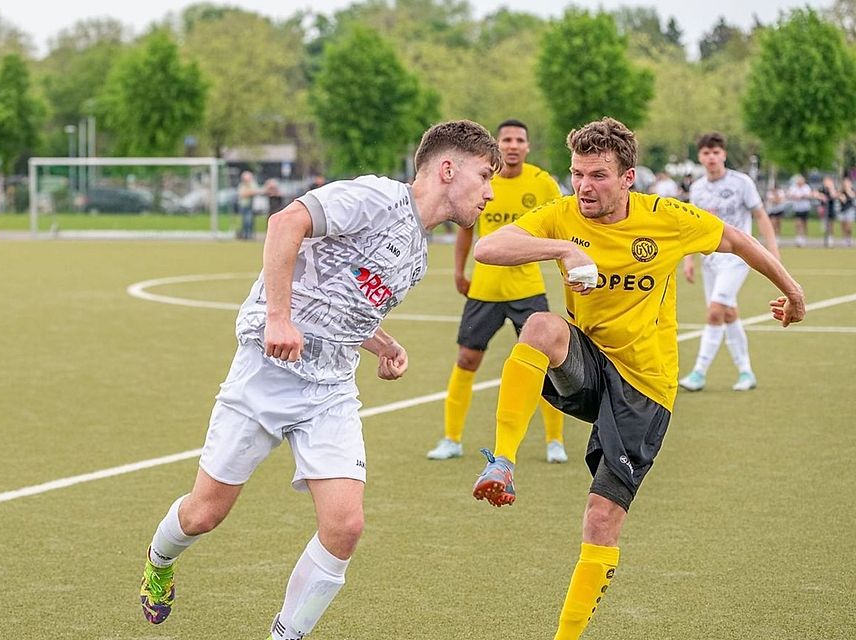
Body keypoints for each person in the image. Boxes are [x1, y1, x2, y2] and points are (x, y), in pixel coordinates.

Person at [137, 120, 502, 640]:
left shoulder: (420, 254)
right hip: (266, 372)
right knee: (204, 514)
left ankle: (285, 635)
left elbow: (345, 304)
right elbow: (285, 223)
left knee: (345, 526)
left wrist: (383, 343)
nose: (491, 190)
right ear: (449, 169)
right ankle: (159, 558)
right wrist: (278, 319)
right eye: (485, 176)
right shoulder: (376, 197)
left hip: (330, 389)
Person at [469, 117, 805, 640]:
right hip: (588, 362)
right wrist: (561, 249)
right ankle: (503, 462)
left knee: (601, 519)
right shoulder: (563, 215)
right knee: (539, 327)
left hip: (645, 388)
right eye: (578, 173)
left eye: (599, 175)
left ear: (628, 177)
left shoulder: (665, 217)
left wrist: (795, 291)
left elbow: (737, 240)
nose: (584, 186)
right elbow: (488, 248)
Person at [426, 119, 569, 464]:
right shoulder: (481, 179)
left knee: (546, 363)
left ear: (528, 146)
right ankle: (452, 439)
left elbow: (563, 227)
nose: (513, 145)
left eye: (520, 139)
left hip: (527, 289)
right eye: (506, 139)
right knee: (466, 359)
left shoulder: (542, 183)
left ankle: (555, 440)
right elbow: (465, 229)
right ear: (498, 143)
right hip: (485, 289)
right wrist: (460, 271)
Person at [678, 132, 780, 393]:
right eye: (706, 153)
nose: (711, 157)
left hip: (738, 258)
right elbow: (692, 227)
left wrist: (772, 251)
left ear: (723, 154)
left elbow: (760, 215)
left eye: (716, 152)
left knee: (714, 311)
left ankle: (699, 372)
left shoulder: (741, 182)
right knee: (729, 313)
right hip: (710, 260)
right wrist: (688, 259)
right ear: (700, 157)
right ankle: (746, 371)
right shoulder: (698, 188)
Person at [786, 174, 813, 247]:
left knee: (805, 223)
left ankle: (804, 238)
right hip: (797, 208)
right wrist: (794, 196)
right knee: (798, 223)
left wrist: (803, 196)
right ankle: (798, 238)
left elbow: (809, 195)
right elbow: (789, 194)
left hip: (805, 208)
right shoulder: (793, 187)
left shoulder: (806, 187)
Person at [814, 175, 839, 247]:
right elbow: (815, 193)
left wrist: (831, 188)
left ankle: (830, 238)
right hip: (823, 209)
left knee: (831, 223)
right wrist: (820, 196)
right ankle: (826, 237)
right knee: (825, 224)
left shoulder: (833, 188)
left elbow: (834, 195)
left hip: (831, 208)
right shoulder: (822, 188)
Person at [237, 170, 261, 240]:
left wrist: (248, 193)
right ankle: (245, 235)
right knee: (244, 221)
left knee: (249, 221)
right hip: (243, 205)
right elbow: (241, 194)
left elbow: (255, 192)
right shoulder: (241, 185)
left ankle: (250, 235)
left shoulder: (253, 184)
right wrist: (249, 193)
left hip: (251, 205)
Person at [838, 176, 855, 247]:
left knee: (849, 226)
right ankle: (844, 239)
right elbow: (839, 198)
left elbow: (852, 196)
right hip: (842, 210)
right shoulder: (841, 191)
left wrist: (848, 190)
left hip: (850, 209)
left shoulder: (852, 190)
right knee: (843, 225)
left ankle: (849, 238)